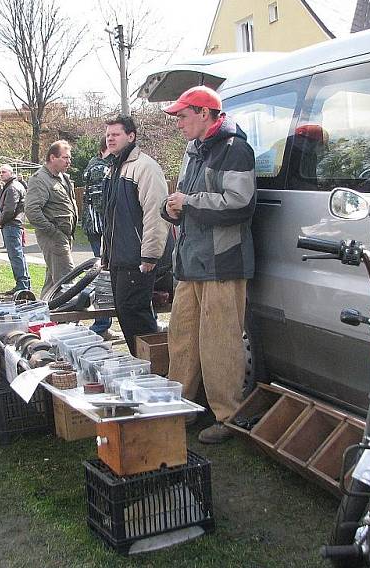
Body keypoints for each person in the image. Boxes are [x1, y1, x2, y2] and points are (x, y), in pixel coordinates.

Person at [161, 86, 256, 445]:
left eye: (183, 116)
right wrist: (169, 207)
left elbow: (240, 204)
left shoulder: (236, 150)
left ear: (204, 113)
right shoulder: (193, 150)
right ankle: (180, 408)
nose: (179, 123)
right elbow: (183, 197)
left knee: (220, 343)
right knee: (182, 338)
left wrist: (187, 202)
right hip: (190, 262)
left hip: (223, 263)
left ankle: (228, 417)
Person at [102, 115, 171, 356]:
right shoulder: (114, 168)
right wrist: (106, 254)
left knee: (137, 317)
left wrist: (150, 255)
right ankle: (141, 366)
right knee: (125, 314)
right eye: (108, 134)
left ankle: (156, 371)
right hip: (119, 259)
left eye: (116, 134)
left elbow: (156, 214)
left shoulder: (145, 167)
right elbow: (111, 216)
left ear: (131, 137)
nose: (110, 138)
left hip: (138, 260)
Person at [24, 140, 77, 298]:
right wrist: (53, 232)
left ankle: (42, 316)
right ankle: (72, 320)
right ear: (52, 158)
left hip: (65, 237)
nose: (69, 162)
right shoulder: (40, 179)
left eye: (69, 158)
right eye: (65, 158)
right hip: (54, 238)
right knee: (67, 282)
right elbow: (32, 211)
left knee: (53, 282)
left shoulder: (63, 178)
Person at [81, 138, 114, 340]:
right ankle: (101, 324)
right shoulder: (99, 169)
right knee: (103, 276)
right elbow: (103, 204)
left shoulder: (96, 165)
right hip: (100, 227)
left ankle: (103, 324)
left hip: (98, 226)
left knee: (104, 274)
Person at [0, 165, 30, 293]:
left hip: (12, 224)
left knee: (15, 255)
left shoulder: (12, 187)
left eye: (3, 172)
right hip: (14, 224)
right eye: (0, 172)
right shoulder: (15, 186)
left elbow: (9, 209)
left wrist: (0, 221)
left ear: (11, 173)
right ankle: (24, 283)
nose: (1, 174)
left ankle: (22, 285)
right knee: (19, 255)